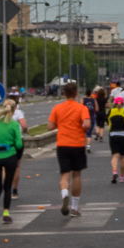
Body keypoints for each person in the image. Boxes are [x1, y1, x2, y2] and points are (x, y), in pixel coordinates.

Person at [46, 81, 91, 216]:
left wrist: (61, 124)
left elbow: (50, 126)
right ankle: (75, 208)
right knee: (76, 175)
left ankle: (64, 194)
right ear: (76, 93)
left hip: (62, 145)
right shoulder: (82, 108)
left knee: (64, 175)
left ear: (64, 94)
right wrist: (82, 128)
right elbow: (87, 125)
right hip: (77, 144)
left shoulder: (57, 108)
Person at [107, 95, 124, 183]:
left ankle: (114, 171)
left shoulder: (110, 111)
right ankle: (122, 176)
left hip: (113, 135)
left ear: (114, 103)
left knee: (115, 156)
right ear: (123, 103)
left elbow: (107, 122)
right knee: (123, 157)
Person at [10, 98, 30, 199]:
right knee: (16, 165)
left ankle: (6, 188)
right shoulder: (18, 113)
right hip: (18, 141)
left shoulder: (2, 114)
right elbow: (24, 125)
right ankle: (14, 191)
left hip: (5, 141)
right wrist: (25, 131)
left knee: (5, 166)